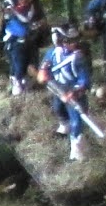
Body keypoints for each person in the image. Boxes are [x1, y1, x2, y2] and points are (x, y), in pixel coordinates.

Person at [41, 25, 95, 162]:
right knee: (58, 109)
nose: (73, 44)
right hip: (58, 89)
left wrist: (75, 92)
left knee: (76, 121)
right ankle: (65, 125)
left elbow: (84, 79)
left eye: (74, 41)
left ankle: (77, 151)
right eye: (69, 41)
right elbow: (44, 68)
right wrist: (43, 72)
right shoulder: (52, 53)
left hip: (74, 92)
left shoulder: (79, 57)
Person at [0, 0, 45, 94]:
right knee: (19, 63)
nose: (24, 0)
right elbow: (18, 29)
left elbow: (39, 22)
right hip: (15, 42)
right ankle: (17, 81)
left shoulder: (32, 7)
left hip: (31, 41)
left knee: (33, 61)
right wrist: (32, 28)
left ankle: (28, 80)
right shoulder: (8, 10)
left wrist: (40, 25)